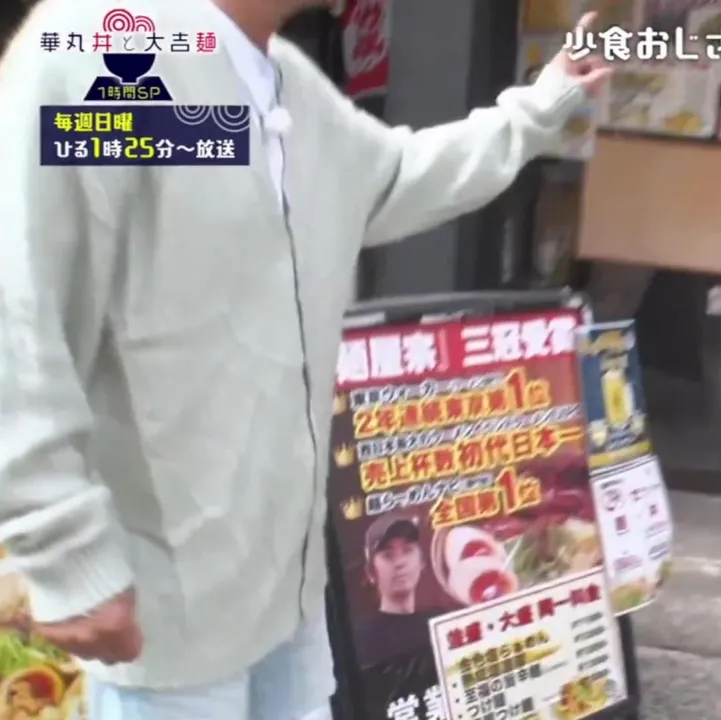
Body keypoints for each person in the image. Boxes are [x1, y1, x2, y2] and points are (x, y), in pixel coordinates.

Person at [0, 0, 609, 716]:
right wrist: (65, 549)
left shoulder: (285, 82)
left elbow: (399, 174)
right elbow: (20, 312)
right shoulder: (105, 55)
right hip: (166, 618)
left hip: (287, 603)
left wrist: (545, 102)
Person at [353, 515, 431, 665]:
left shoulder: (438, 624)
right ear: (371, 572)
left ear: (422, 561)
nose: (400, 562)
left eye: (407, 550)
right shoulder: (362, 640)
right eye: (388, 555)